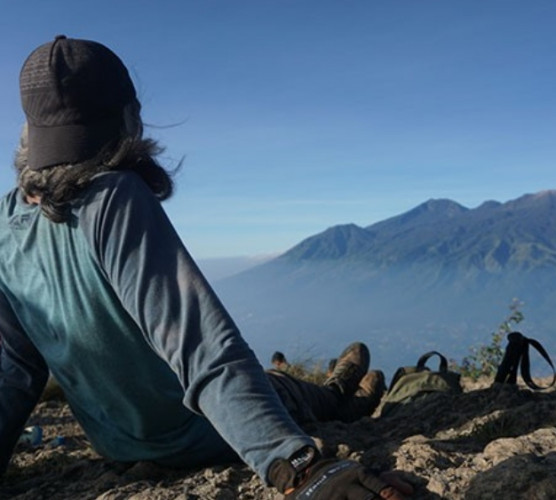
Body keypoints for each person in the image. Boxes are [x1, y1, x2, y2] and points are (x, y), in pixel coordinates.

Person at [0, 35, 411, 499]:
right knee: (281, 388)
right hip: (199, 434)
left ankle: (339, 391)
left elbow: (13, 369)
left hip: (116, 444)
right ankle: (339, 397)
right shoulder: (114, 196)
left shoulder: (5, 225)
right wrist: (298, 469)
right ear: (127, 116)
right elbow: (198, 346)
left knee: (277, 384)